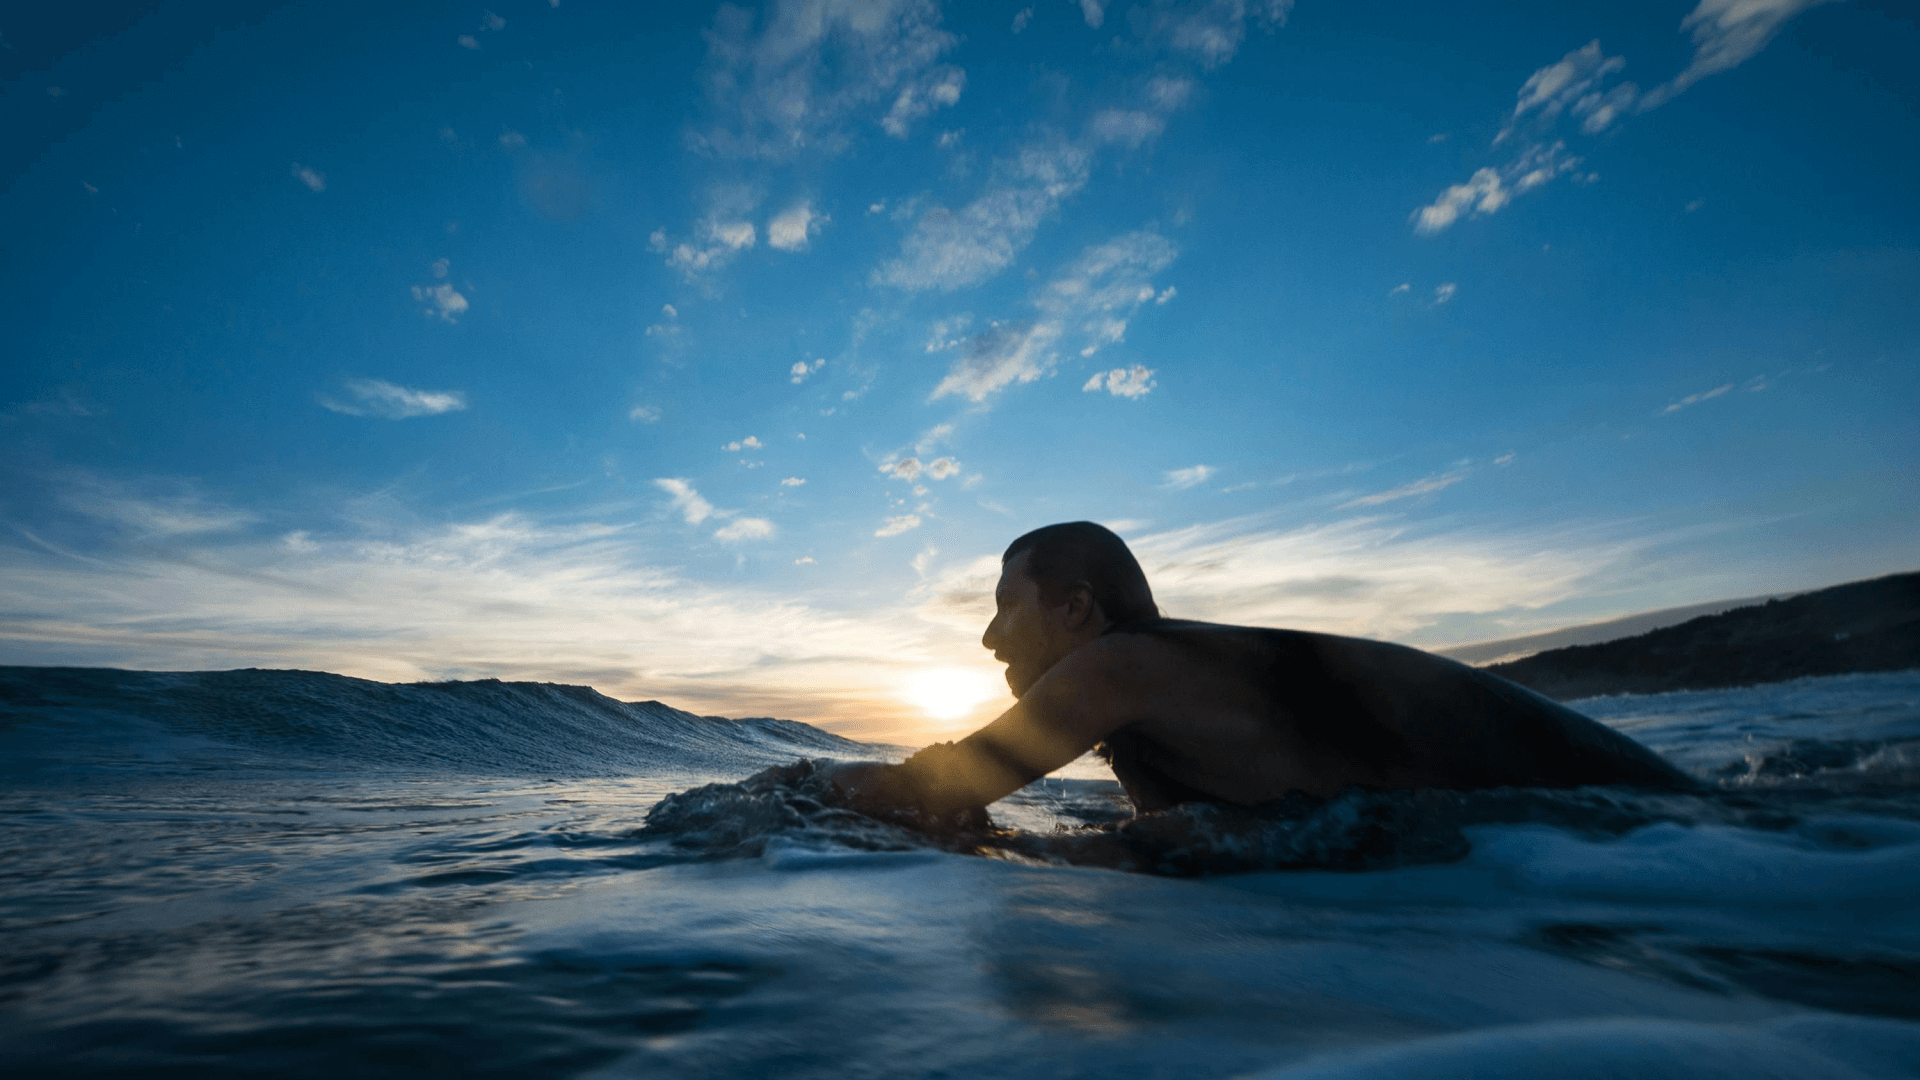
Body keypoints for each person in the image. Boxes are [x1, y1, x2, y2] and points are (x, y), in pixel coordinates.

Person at [828, 521, 1696, 818]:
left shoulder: (1124, 665)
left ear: (1076, 609)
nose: (987, 638)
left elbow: (940, 788)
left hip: (1601, 807)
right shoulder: (1158, 700)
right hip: (1602, 815)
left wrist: (773, 801)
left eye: (1004, 604)